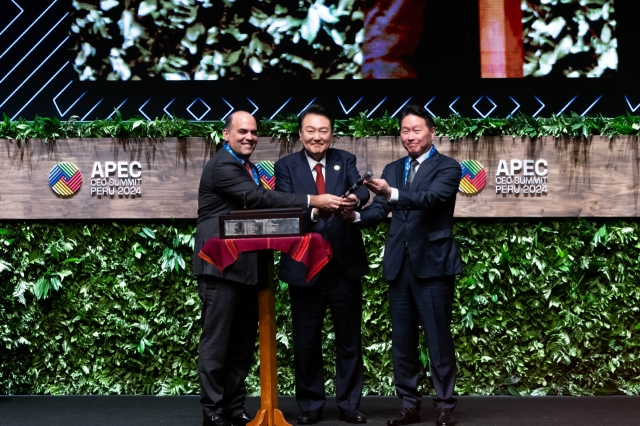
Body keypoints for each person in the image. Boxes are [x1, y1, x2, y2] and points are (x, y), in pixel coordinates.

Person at [193, 111, 347, 426]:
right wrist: (313, 200)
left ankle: (234, 408)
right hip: (220, 268)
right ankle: (213, 411)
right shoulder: (222, 165)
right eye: (242, 132)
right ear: (226, 134)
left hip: (248, 269)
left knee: (241, 346)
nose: (249, 137)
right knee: (217, 342)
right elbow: (259, 198)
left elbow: (261, 212)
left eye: (253, 132)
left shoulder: (246, 167)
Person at [342, 105, 463, 426]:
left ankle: (445, 406)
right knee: (403, 341)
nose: (410, 136)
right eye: (405, 131)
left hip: (434, 264)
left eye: (416, 130)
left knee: (438, 339)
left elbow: (430, 199)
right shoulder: (393, 167)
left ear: (431, 131)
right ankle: (409, 404)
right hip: (400, 265)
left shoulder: (448, 168)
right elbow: (380, 210)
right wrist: (354, 216)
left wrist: (392, 192)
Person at [274, 105, 370, 425]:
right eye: (311, 131)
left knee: (349, 339)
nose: (317, 137)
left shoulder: (346, 160)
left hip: (344, 266)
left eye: (323, 131)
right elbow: (285, 206)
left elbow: (360, 190)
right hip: (305, 266)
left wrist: (355, 200)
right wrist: (316, 207)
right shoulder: (285, 166)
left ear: (332, 134)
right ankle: (311, 405)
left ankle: (349, 404)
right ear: (300, 134)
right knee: (305, 340)